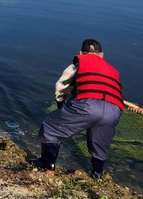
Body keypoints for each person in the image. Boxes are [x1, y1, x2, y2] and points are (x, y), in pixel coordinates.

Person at [33, 38, 123, 179]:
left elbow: (60, 87)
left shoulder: (78, 64)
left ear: (81, 53)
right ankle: (97, 174)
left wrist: (61, 106)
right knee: (99, 142)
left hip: (88, 106)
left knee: (50, 127)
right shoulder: (113, 71)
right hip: (114, 109)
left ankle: (47, 166)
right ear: (102, 54)